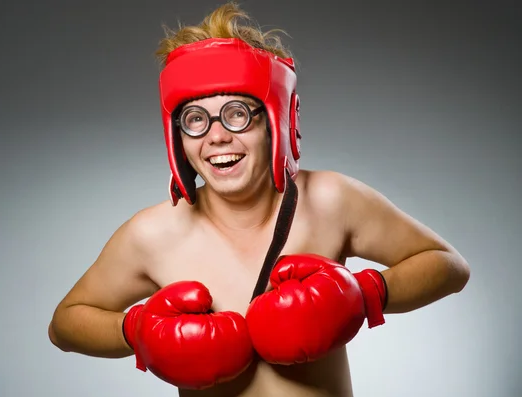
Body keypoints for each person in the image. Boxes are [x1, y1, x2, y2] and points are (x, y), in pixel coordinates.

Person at [48, 3, 471, 396]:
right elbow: (64, 324)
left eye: (236, 113)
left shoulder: (330, 200)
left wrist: (363, 295)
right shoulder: (154, 233)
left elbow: (449, 265)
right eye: (195, 119)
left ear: (276, 121)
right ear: (177, 136)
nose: (216, 136)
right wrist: (136, 331)